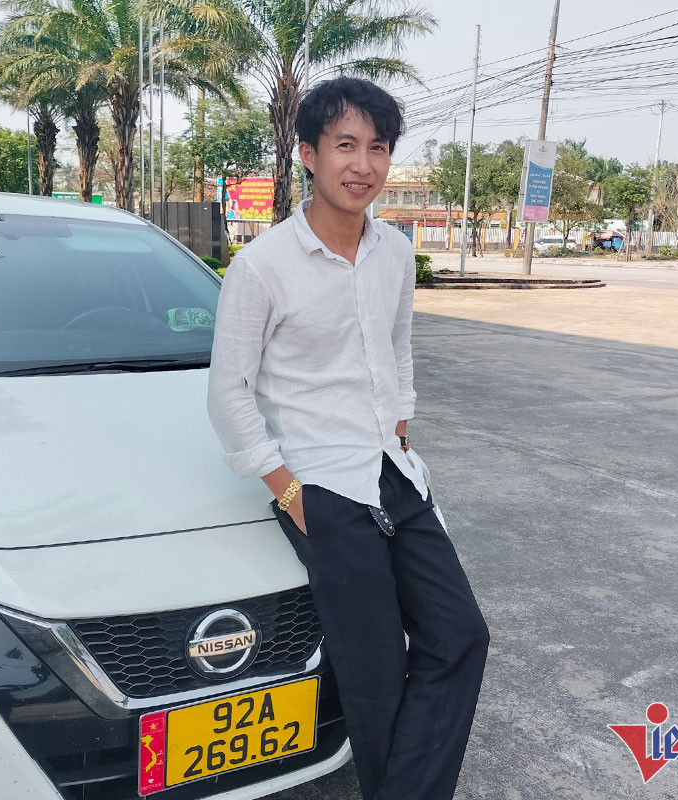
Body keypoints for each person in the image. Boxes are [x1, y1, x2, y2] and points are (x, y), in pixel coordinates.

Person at [206, 76, 490, 800]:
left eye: (378, 147)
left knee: (460, 635)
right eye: (345, 145)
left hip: (391, 469)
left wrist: (401, 424)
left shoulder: (394, 252)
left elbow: (397, 349)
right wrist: (287, 491)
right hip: (320, 485)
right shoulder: (263, 266)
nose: (363, 164)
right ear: (308, 154)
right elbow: (229, 391)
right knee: (374, 671)